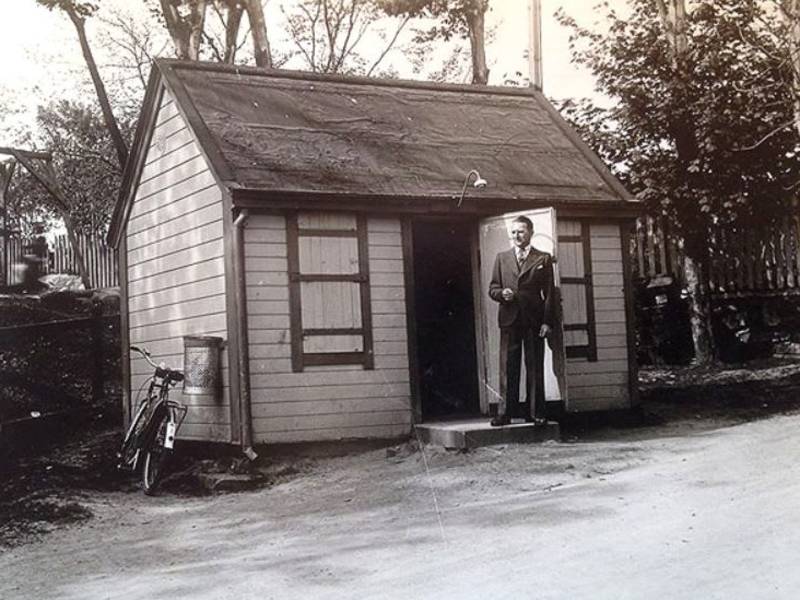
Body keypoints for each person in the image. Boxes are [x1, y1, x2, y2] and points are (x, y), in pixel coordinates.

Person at [488, 215, 555, 427]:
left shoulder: (542, 259)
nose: (517, 236)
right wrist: (502, 294)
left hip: (534, 321)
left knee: (534, 367)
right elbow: (492, 288)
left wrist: (547, 322)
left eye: (521, 231)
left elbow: (550, 294)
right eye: (514, 232)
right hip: (509, 320)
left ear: (531, 233)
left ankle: (536, 413)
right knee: (508, 367)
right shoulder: (502, 258)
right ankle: (505, 413)